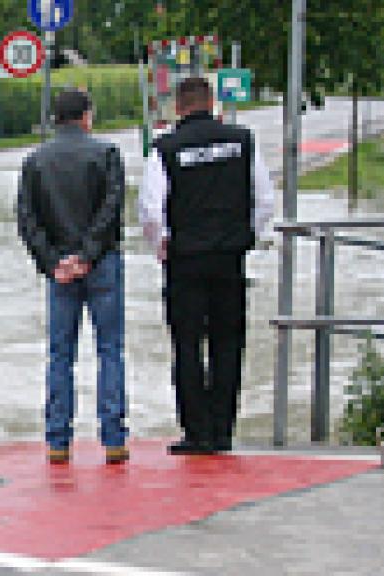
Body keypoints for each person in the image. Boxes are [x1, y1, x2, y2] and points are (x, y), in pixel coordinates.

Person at [138, 77, 275, 455]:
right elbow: (264, 199)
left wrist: (163, 247)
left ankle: (196, 432)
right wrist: (245, 236)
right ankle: (222, 429)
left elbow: (151, 210)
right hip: (230, 259)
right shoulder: (242, 141)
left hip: (184, 260)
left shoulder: (164, 149)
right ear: (212, 103)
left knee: (187, 345)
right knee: (227, 343)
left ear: (178, 108)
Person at [17, 88, 129, 465]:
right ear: (86, 116)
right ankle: (113, 437)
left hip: (59, 271)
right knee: (109, 349)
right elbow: (111, 208)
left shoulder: (35, 161)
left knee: (60, 355)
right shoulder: (107, 155)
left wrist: (54, 262)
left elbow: (27, 220)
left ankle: (57, 440)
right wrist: (88, 254)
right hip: (102, 265)